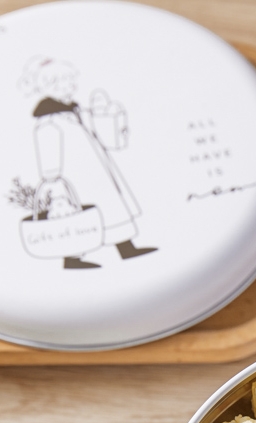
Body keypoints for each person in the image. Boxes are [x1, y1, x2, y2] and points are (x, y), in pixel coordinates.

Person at [19, 55, 157, 269]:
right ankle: (72, 258)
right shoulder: (49, 120)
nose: (70, 86)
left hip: (96, 172)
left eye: (71, 80)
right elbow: (48, 150)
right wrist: (53, 180)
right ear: (48, 86)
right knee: (76, 217)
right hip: (74, 178)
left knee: (111, 208)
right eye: (63, 82)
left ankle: (126, 247)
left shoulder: (74, 111)